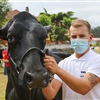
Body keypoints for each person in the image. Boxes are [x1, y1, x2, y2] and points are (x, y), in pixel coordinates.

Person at [42, 19, 100, 100]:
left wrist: (58, 70)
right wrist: (42, 73)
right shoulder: (64, 63)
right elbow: (50, 94)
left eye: (82, 36)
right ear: (70, 39)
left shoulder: (97, 60)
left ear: (90, 38)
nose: (77, 39)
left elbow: (84, 88)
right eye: (74, 36)